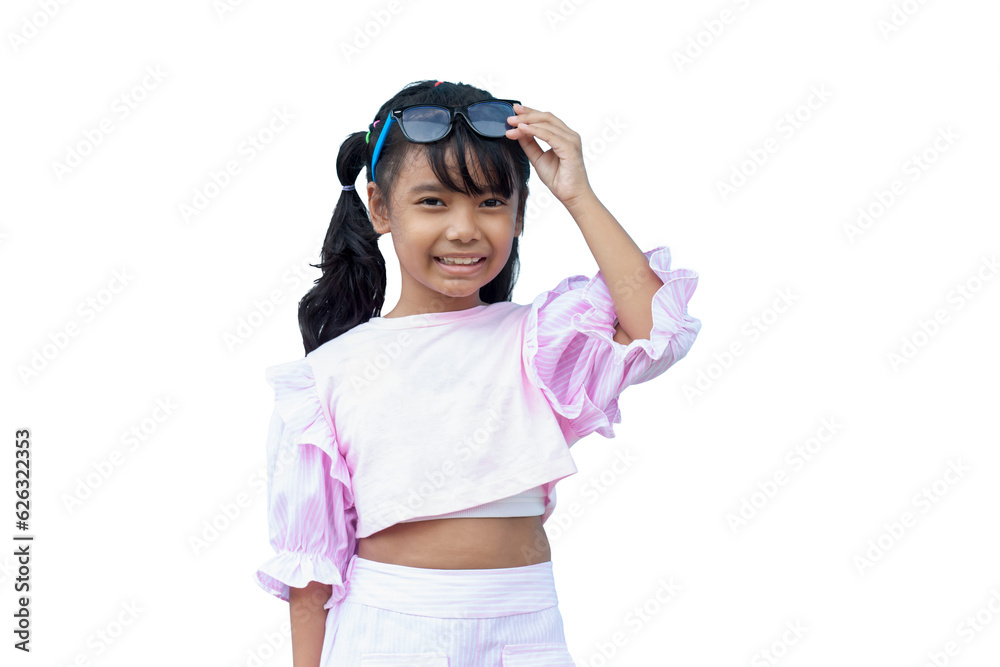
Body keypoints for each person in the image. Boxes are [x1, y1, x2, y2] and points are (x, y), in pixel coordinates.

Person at [253, 78, 703, 666]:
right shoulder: (328, 376)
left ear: (518, 215)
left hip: (523, 629)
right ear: (381, 209)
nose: (465, 228)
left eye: (492, 202)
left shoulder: (535, 342)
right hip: (387, 633)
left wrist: (578, 195)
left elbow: (656, 330)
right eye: (433, 201)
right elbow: (310, 571)